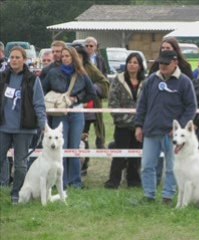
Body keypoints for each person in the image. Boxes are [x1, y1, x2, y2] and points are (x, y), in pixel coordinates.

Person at [135, 50, 197, 204]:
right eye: (160, 63)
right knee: (147, 166)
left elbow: (191, 107)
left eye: (166, 64)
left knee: (171, 168)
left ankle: (168, 196)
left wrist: (179, 129)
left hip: (172, 135)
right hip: (151, 130)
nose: (162, 66)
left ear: (175, 63)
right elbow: (141, 105)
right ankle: (149, 195)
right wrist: (138, 125)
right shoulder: (151, 81)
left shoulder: (184, 82)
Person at [42, 47, 97, 189]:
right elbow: (42, 90)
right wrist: (54, 99)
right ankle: (61, 181)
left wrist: (77, 98)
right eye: (63, 56)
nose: (65, 58)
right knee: (61, 147)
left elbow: (92, 94)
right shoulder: (53, 73)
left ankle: (76, 181)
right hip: (59, 115)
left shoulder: (82, 74)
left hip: (77, 114)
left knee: (74, 148)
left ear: (74, 57)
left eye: (68, 56)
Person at [0, 46, 46, 204]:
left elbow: (39, 104)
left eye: (17, 57)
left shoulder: (33, 79)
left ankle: (16, 194)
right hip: (3, 127)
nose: (14, 60)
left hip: (24, 129)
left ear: (24, 60)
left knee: (20, 165)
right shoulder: (2, 76)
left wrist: (43, 125)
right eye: (11, 57)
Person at [148, 37, 193, 184]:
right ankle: (154, 185)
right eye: (163, 48)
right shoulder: (155, 69)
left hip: (176, 123)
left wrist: (182, 125)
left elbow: (190, 102)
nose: (165, 50)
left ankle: (171, 189)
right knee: (152, 161)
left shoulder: (185, 71)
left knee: (173, 161)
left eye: (168, 48)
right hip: (156, 122)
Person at [105, 52, 145, 189]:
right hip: (122, 125)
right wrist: (123, 118)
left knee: (136, 154)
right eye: (130, 62)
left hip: (139, 125)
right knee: (119, 154)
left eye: (135, 62)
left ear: (140, 66)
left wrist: (139, 121)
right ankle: (113, 181)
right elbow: (112, 101)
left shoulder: (145, 82)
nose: (132, 65)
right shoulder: (118, 80)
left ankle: (133, 181)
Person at [73, 44, 109, 176]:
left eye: (79, 56)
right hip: (69, 109)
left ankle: (83, 167)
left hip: (87, 110)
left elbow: (104, 83)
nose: (76, 58)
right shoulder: (67, 68)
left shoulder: (90, 68)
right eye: (74, 56)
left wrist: (92, 88)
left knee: (83, 138)